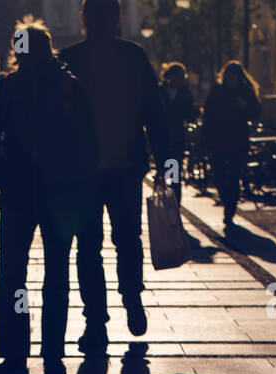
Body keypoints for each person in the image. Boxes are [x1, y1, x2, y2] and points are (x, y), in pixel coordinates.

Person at [0, 17, 97, 374]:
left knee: (13, 276)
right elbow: (90, 142)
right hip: (61, 193)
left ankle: (15, 356)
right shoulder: (71, 87)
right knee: (57, 274)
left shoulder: (6, 88)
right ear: (49, 49)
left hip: (17, 192)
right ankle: (53, 352)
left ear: (17, 51)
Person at [61, 0, 170, 348]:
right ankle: (132, 299)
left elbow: (55, 120)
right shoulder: (134, 56)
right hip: (122, 167)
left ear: (83, 19)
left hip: (83, 171)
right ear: (118, 19)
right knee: (127, 240)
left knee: (89, 248)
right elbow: (155, 113)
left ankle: (96, 323)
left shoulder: (69, 59)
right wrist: (167, 164)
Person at [201, 60, 261, 230]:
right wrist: (206, 138)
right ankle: (227, 200)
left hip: (237, 141)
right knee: (219, 176)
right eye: (228, 76)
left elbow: (256, 111)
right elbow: (208, 114)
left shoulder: (245, 91)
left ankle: (230, 210)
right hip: (218, 141)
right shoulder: (217, 90)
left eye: (233, 76)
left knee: (234, 176)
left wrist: (246, 106)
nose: (230, 79)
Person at [159, 62, 199, 204]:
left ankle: (174, 204)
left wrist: (194, 111)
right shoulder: (160, 91)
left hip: (176, 139)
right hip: (161, 138)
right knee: (162, 172)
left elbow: (190, 114)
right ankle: (165, 202)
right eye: (181, 76)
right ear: (171, 76)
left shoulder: (184, 92)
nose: (183, 79)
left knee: (174, 174)